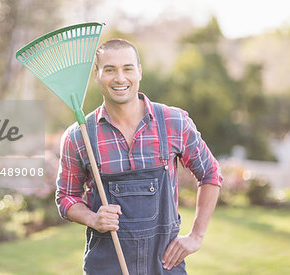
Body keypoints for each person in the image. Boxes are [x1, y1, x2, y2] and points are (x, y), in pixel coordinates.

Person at [55, 38, 222, 275]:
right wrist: (93, 218)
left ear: (139, 72)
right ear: (96, 75)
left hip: (165, 265)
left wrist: (196, 236)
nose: (120, 78)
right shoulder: (78, 136)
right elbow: (66, 197)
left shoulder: (173, 122)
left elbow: (210, 173)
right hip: (106, 267)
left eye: (127, 68)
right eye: (110, 70)